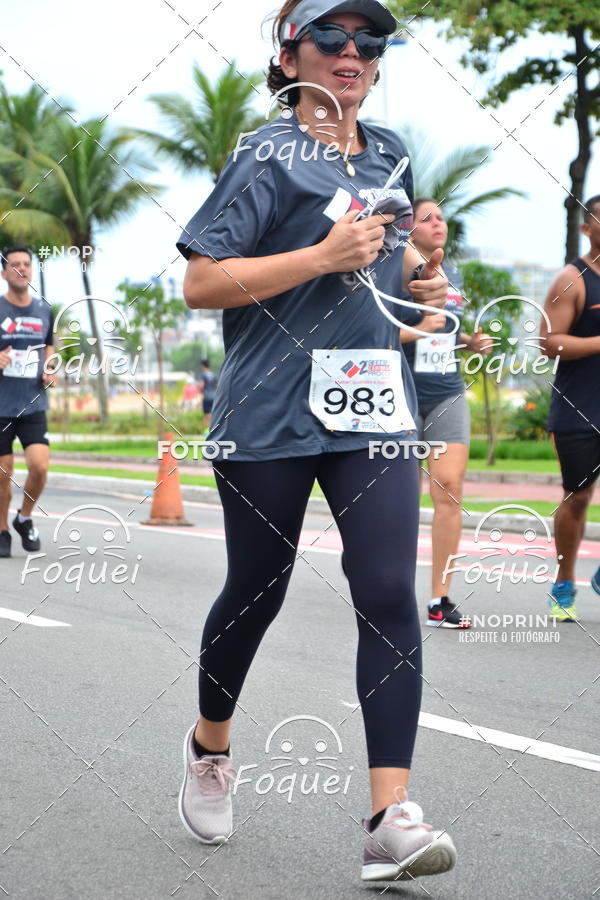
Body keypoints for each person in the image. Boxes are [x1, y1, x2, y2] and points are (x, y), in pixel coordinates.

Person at [175, 0, 457, 883]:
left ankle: (388, 819)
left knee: (389, 592)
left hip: (370, 406)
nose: (352, 52)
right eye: (331, 36)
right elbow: (201, 282)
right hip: (268, 409)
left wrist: (418, 281)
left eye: (369, 41)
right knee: (257, 590)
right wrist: (320, 258)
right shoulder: (265, 154)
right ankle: (210, 745)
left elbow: (378, 268)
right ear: (291, 53)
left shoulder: (389, 152)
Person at [401, 199, 491, 628]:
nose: (438, 223)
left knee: (449, 489)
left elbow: (445, 333)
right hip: (396, 393)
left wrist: (470, 343)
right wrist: (419, 328)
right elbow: (367, 332)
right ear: (407, 227)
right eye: (427, 218)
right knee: (397, 496)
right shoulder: (388, 270)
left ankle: (440, 598)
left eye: (441, 217)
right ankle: (387, 588)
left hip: (446, 392)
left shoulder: (451, 274)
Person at [542, 193, 600, 622]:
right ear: (586, 228)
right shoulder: (572, 278)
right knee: (577, 498)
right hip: (579, 407)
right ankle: (564, 581)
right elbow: (549, 343)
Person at [0, 247, 57, 558]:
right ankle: (2, 531)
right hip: (1, 406)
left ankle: (23, 518)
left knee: (39, 467)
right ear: (4, 273)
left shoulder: (43, 309)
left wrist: (50, 367)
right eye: (15, 264)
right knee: (3, 475)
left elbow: (49, 346)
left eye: (26, 264)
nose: (21, 269)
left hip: (32, 403)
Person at [198, 358, 216, 431]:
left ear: (203, 366)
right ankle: (213, 429)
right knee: (213, 414)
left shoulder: (203, 375)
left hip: (206, 397)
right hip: (214, 396)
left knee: (206, 415)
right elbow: (217, 385)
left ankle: (207, 431)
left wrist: (200, 389)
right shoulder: (213, 375)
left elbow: (201, 385)